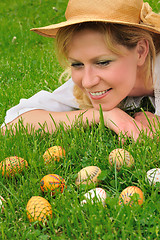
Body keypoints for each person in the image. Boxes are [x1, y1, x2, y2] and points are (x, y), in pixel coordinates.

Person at [1, 0, 160, 141]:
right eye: (77, 64)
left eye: (103, 62)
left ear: (140, 51)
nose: (88, 82)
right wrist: (101, 115)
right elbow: (13, 126)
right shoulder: (90, 78)